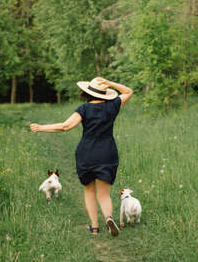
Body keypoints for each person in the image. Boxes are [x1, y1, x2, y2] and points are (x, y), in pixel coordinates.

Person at [30, 77, 133, 236]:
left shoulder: (84, 109)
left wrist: (41, 127)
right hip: (108, 153)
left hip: (87, 154)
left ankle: (94, 227)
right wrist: (110, 83)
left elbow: (65, 126)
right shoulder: (113, 105)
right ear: (105, 93)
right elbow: (128, 91)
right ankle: (109, 217)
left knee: (89, 191)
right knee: (104, 194)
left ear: (88, 93)